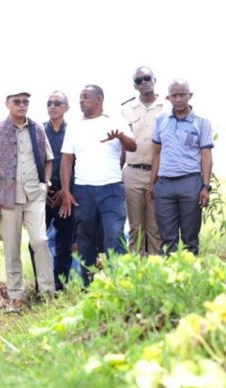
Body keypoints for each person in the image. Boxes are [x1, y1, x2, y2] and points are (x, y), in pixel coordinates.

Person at [0, 89, 55, 311]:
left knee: (40, 241)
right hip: (7, 198)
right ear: (7, 104)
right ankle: (16, 296)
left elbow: (48, 159)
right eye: (17, 101)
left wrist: (45, 184)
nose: (22, 105)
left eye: (25, 102)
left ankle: (48, 294)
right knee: (12, 248)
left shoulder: (37, 128)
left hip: (34, 196)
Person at [59, 85, 136, 286]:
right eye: (80, 97)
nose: (81, 101)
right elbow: (67, 159)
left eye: (85, 97)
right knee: (85, 240)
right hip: (83, 190)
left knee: (115, 234)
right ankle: (88, 286)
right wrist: (66, 191)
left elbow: (133, 146)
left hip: (111, 188)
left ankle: (118, 285)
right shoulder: (74, 126)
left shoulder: (115, 120)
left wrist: (120, 136)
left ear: (99, 99)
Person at [148, 80, 214, 255]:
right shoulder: (161, 120)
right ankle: (170, 272)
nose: (178, 99)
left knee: (190, 239)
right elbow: (157, 153)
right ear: (168, 98)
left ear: (190, 95)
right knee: (167, 239)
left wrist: (205, 187)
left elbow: (206, 155)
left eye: (182, 95)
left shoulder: (201, 122)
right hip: (164, 185)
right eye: (174, 95)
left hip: (190, 183)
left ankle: (190, 272)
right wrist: (152, 184)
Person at [29, 91, 74, 291]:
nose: (52, 107)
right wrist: (42, 188)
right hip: (42, 194)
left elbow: (76, 162)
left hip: (67, 195)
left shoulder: (73, 131)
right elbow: (31, 161)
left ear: (66, 107)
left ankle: (60, 285)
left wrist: (66, 191)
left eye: (57, 103)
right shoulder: (38, 131)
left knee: (66, 242)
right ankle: (41, 285)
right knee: (36, 241)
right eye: (49, 103)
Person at [121, 67, 163, 255]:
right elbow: (121, 144)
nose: (144, 82)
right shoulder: (126, 109)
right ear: (135, 86)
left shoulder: (166, 107)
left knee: (155, 228)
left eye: (147, 78)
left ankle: (155, 268)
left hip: (158, 174)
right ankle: (136, 268)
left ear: (154, 79)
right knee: (136, 227)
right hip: (132, 172)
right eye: (139, 80)